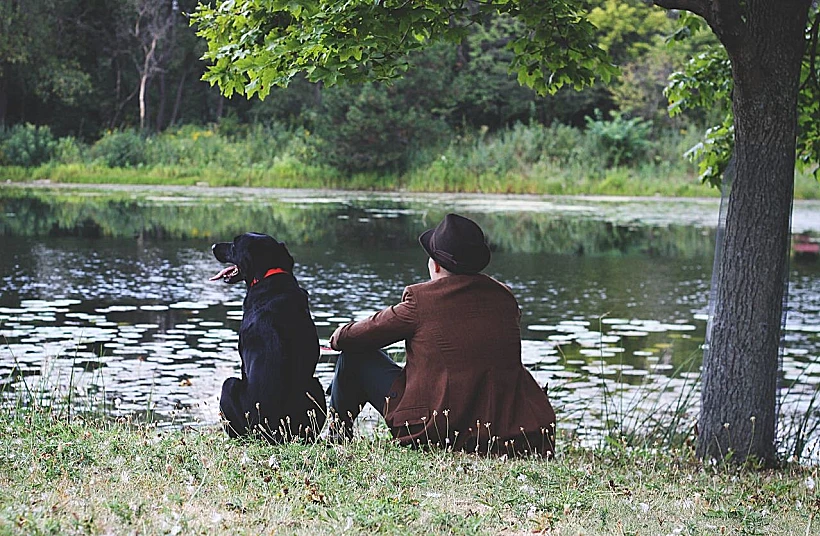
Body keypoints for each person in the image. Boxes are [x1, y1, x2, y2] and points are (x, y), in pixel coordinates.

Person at [328, 213, 556, 456]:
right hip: (504, 431)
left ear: (435, 265)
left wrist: (337, 336)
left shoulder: (421, 300)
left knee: (353, 357)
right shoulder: (505, 299)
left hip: (436, 430)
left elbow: (354, 338)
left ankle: (337, 439)